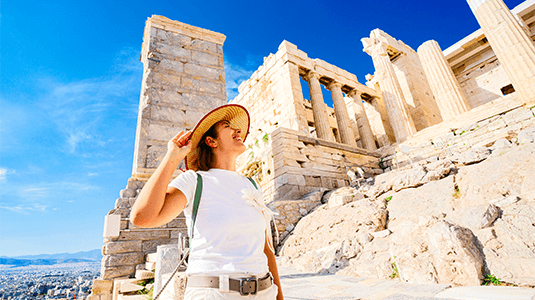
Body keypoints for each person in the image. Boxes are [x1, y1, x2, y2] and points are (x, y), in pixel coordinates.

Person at [130, 104, 284, 300]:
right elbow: (142, 217)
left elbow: (266, 250)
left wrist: (278, 296)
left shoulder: (252, 184)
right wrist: (172, 157)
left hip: (265, 293)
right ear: (211, 141)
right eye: (228, 126)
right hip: (214, 294)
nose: (238, 131)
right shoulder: (195, 181)